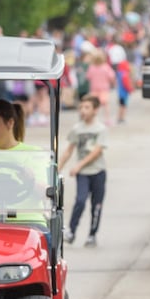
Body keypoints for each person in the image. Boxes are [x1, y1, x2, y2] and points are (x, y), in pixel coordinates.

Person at [58, 94, 108, 247]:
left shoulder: (100, 129)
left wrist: (78, 165)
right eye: (81, 107)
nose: (83, 111)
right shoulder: (77, 129)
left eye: (87, 107)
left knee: (96, 205)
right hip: (83, 174)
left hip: (98, 171)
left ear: (95, 110)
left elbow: (97, 151)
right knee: (80, 200)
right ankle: (71, 231)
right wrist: (57, 168)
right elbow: (69, 150)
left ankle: (92, 234)